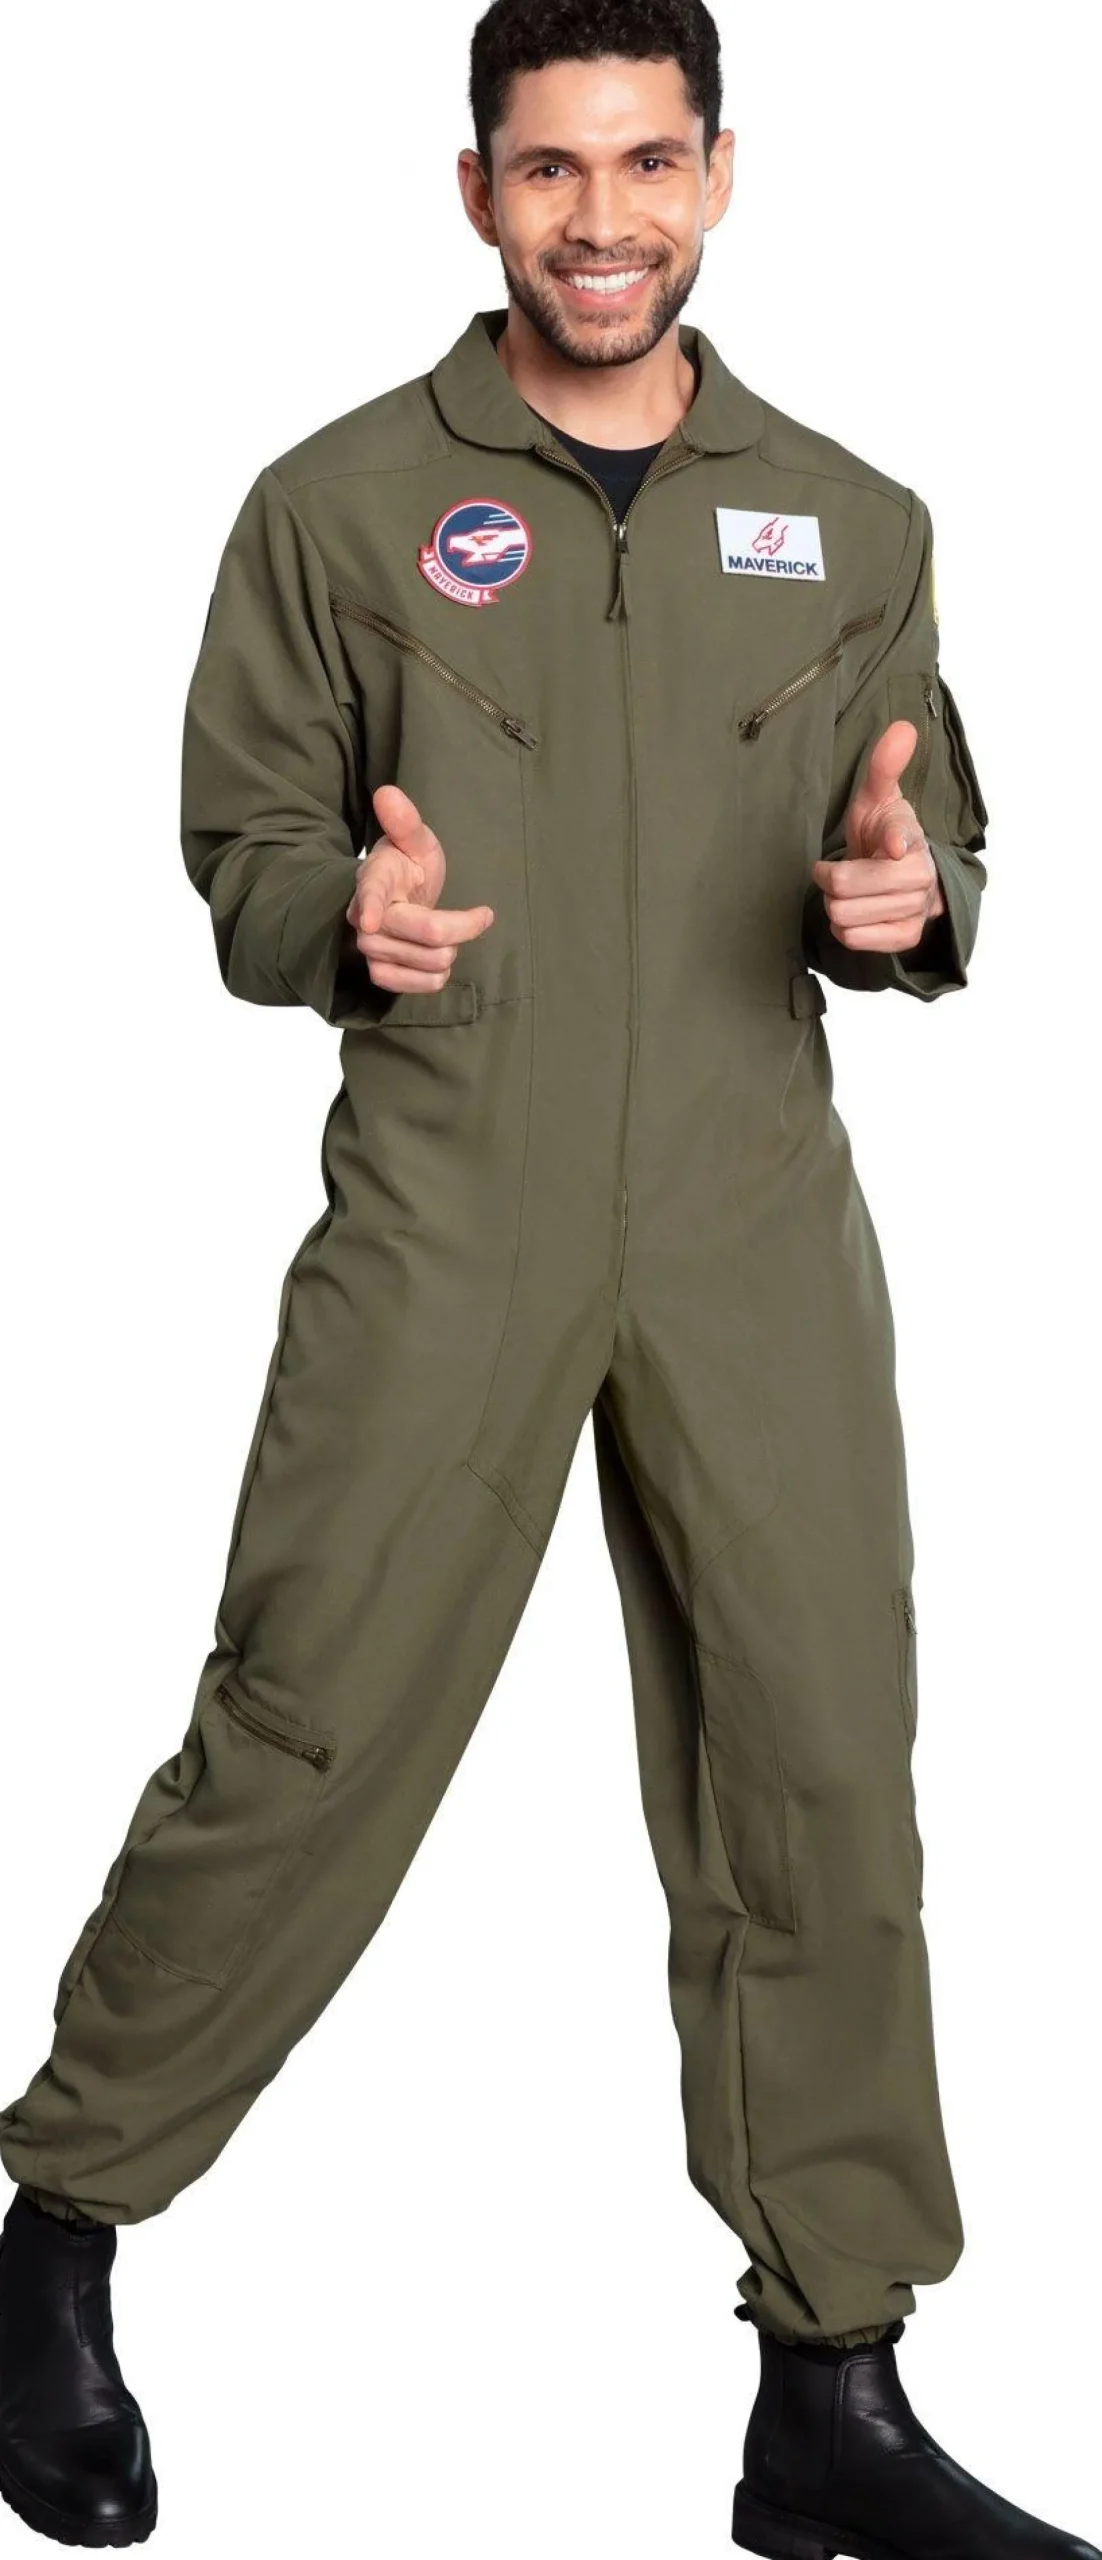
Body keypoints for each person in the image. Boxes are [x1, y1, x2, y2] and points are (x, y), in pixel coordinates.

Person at [0, 3, 1095, 2552]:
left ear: (717, 173)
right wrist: (338, 916)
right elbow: (244, 844)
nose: (599, 219)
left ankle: (829, 2390)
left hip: (749, 1213)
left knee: (818, 1767)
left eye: (644, 162)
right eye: (546, 168)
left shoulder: (848, 516)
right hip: (449, 1198)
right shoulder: (337, 502)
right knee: (307, 1724)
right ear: (473, 189)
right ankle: (54, 2232)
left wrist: (910, 904)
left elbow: (927, 843)